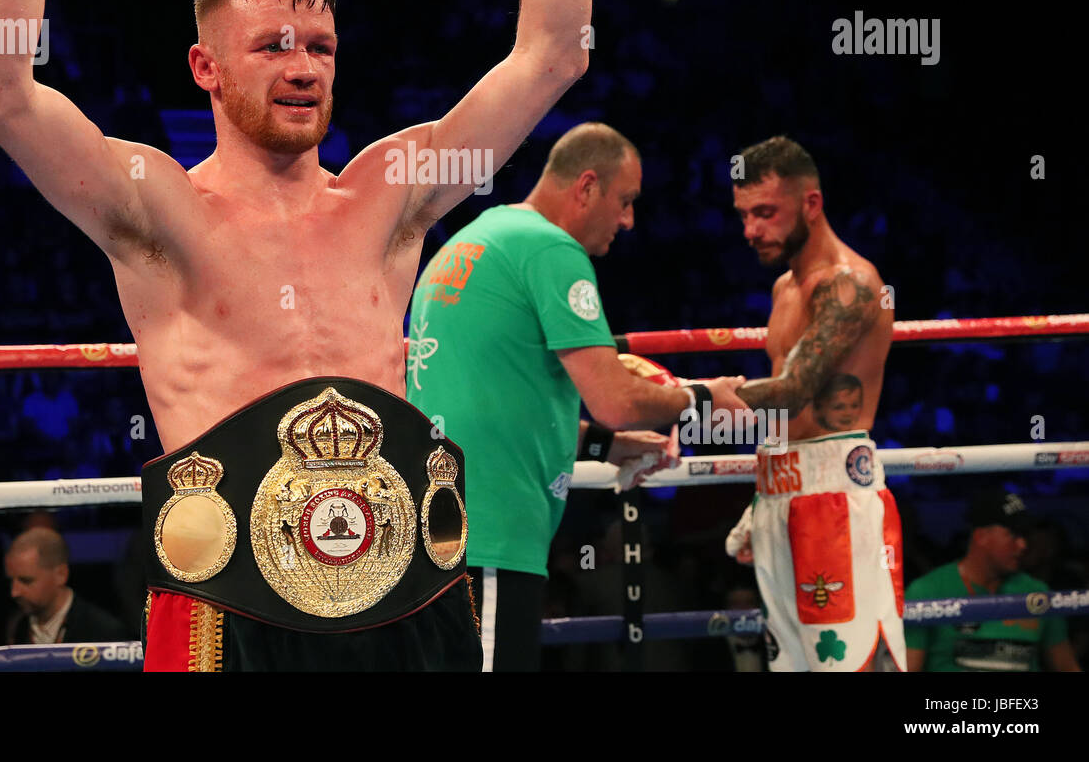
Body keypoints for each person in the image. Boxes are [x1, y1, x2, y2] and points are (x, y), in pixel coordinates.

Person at [0, 0, 598, 671]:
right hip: (231, 610)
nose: (303, 67)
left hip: (408, 599)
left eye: (322, 48)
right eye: (273, 47)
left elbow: (554, 54)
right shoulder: (157, 208)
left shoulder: (392, 194)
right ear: (204, 69)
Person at [407, 123, 746, 670]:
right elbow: (613, 398)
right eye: (625, 200)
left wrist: (605, 449)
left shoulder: (475, 240)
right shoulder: (549, 248)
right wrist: (704, 396)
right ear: (587, 186)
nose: (629, 219)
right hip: (490, 534)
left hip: (435, 533)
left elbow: (499, 401)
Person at [723, 136, 904, 671]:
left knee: (852, 664)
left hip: (836, 501)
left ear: (811, 204)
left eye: (765, 213)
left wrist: (680, 397)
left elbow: (794, 388)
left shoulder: (850, 285)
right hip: (783, 492)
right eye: (744, 215)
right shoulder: (784, 289)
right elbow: (787, 414)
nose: (752, 230)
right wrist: (762, 497)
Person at [904, 489, 1080, 672]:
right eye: (1013, 534)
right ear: (981, 536)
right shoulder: (928, 591)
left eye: (1024, 535)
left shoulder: (1037, 593)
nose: (1022, 545)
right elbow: (908, 668)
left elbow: (1067, 667)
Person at [4, 529, 124, 645]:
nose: (14, 592)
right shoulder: (16, 628)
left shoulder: (103, 632)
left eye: (26, 581)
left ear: (61, 574)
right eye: (11, 581)